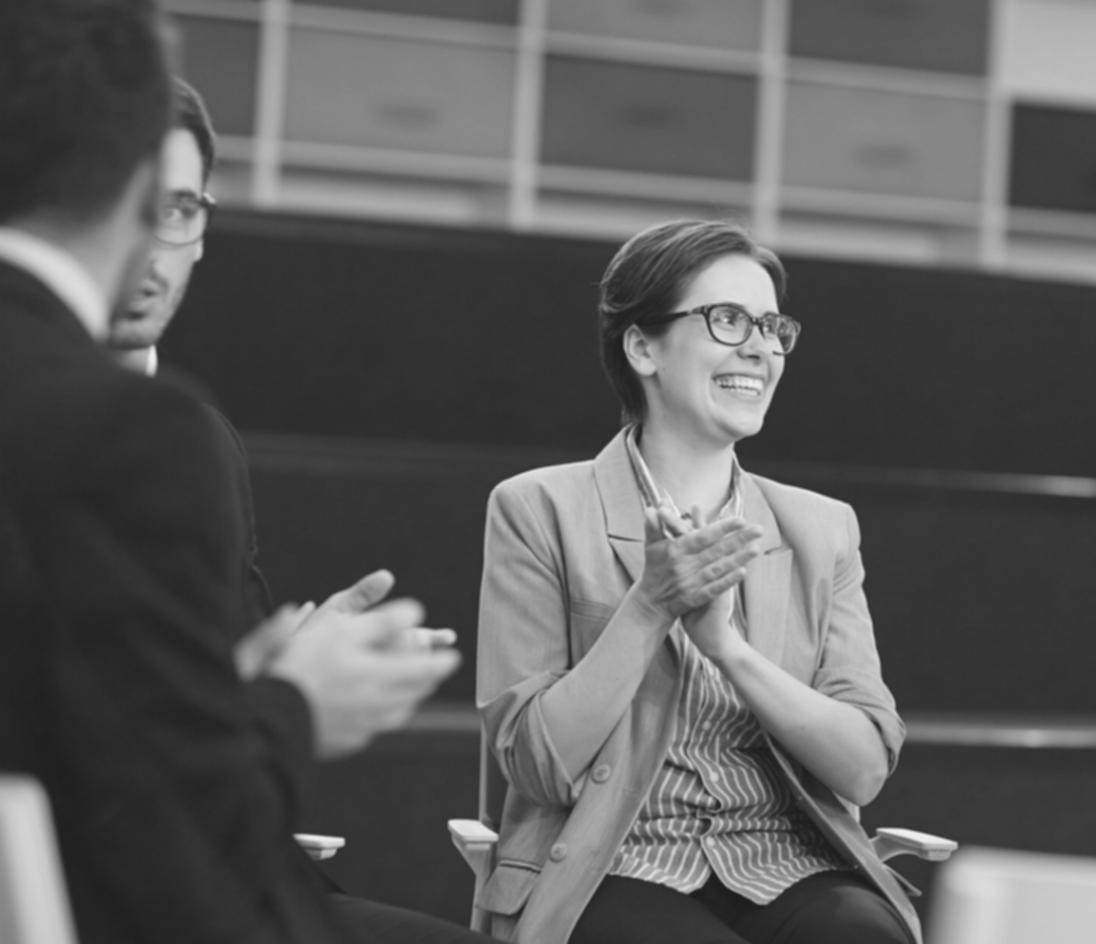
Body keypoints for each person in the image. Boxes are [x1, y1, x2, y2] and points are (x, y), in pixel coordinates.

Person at [0, 3, 459, 941]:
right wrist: (297, 702)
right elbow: (160, 815)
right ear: (130, 178)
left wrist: (256, 666)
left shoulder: (174, 433)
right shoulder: (133, 434)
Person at [99, 75, 494, 943]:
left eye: (176, 210)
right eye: (114, 201)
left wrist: (286, 660)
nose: (147, 246)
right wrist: (290, 695)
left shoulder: (200, 435)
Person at [476, 219, 917, 944]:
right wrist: (650, 606)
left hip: (788, 862)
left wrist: (729, 650)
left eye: (772, 325)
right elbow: (539, 765)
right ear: (642, 345)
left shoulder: (822, 527)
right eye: (727, 319)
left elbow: (863, 769)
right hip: (611, 865)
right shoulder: (538, 509)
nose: (761, 347)